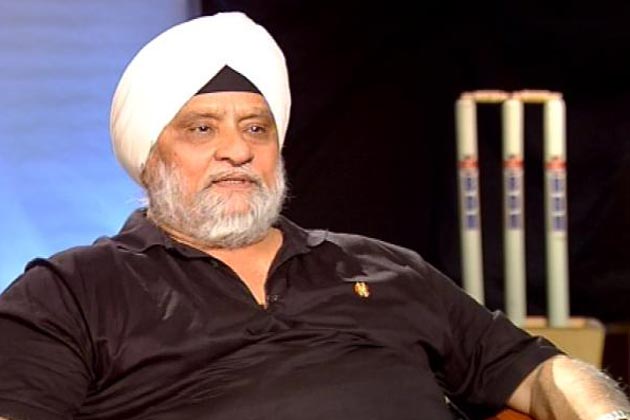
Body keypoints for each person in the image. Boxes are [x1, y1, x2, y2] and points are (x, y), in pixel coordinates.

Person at [0, 11, 628, 420]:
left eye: (256, 128)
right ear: (148, 157)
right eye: (202, 129)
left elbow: (541, 372)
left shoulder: (384, 268)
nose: (237, 150)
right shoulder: (72, 291)